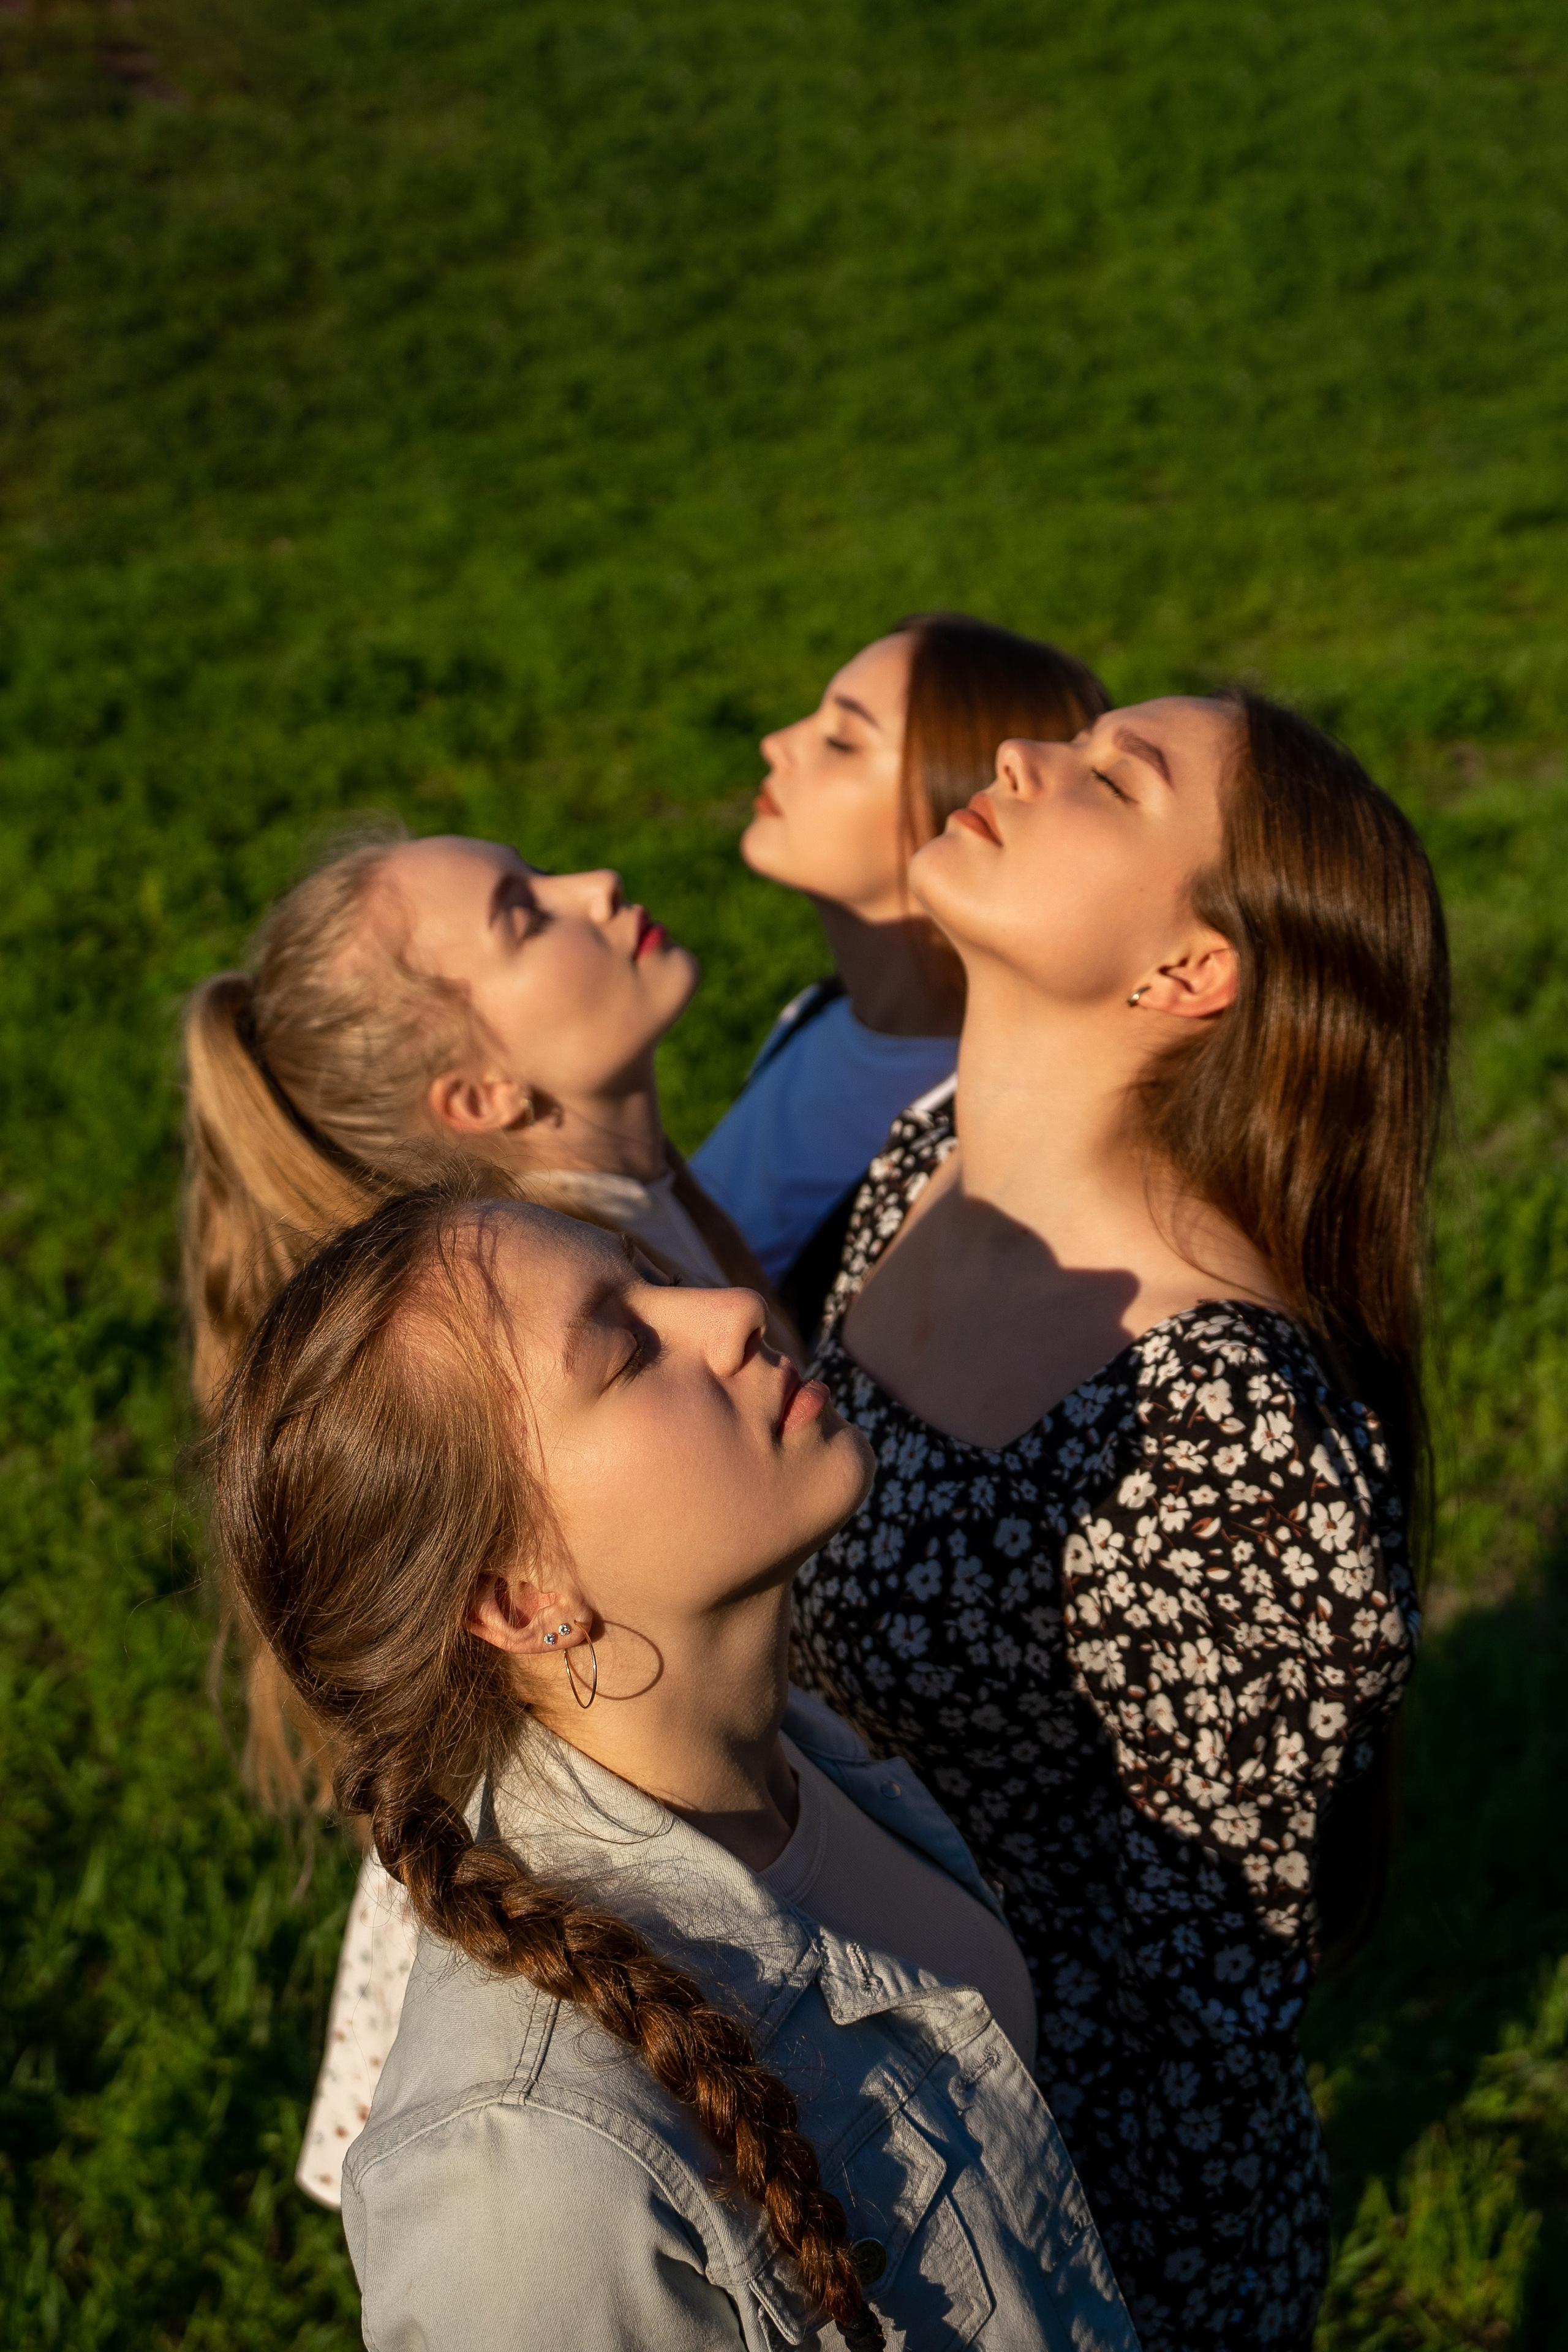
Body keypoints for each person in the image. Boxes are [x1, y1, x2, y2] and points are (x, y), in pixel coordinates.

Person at [791, 692, 1447, 2351]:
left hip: (1055, 2233)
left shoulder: (1225, 1425)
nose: (1022, 757)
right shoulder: (928, 1155)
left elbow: (1193, 1999)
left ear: (1187, 970)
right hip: (835, 2110)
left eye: (1110, 777)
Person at [208, 1186, 1142, 2351]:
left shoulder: (792, 1749)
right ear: (522, 1601)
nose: (735, 1309)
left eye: (652, 1276)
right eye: (625, 1350)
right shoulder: (528, 2182)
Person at [183, 826, 787, 2206]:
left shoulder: (625, 1215)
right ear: (479, 1095)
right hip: (588, 1929)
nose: (596, 886)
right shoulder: (550, 1314)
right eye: (525, 916)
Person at [692, 614, 1106, 1340]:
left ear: (966, 804)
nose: (776, 743)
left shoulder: (978, 1134)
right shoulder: (815, 1015)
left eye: (842, 740)